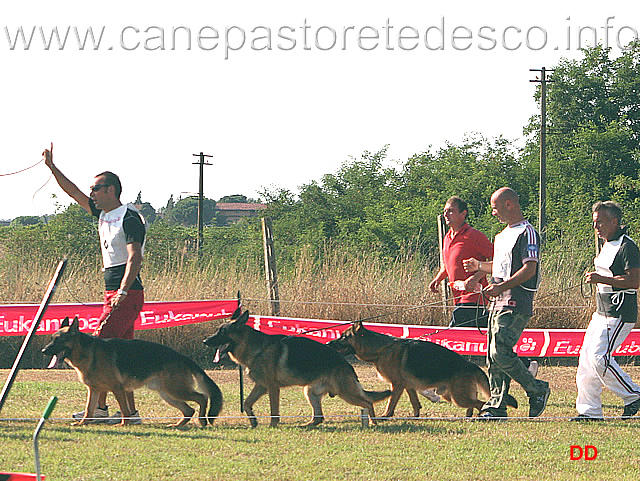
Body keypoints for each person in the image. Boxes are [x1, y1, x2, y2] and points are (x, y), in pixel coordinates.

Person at [43, 143, 147, 424]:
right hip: (112, 290)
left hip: (126, 292)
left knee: (99, 347)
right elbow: (73, 192)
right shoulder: (103, 214)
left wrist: (123, 290)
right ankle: (131, 413)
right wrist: (52, 168)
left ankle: (99, 410)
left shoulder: (129, 216)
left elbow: (134, 256)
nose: (91, 194)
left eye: (96, 189)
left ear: (111, 190)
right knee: (121, 356)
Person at [463, 187, 549, 419]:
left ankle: (536, 388)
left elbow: (529, 268)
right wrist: (478, 269)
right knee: (492, 355)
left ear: (509, 204)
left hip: (515, 301)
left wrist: (502, 286)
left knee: (499, 351)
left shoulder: (527, 233)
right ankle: (496, 405)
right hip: (497, 301)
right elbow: (501, 266)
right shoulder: (502, 235)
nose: (493, 213)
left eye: (495, 207)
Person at [572, 201, 640, 421]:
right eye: (594, 222)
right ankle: (589, 411)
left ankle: (634, 395)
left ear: (614, 221)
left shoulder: (627, 246)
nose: (596, 227)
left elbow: (634, 280)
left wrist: (601, 279)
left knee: (600, 358)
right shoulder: (606, 245)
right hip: (601, 312)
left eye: (600, 222)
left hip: (619, 312)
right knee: (586, 360)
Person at [429, 196, 493, 328]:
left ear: (463, 214)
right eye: (445, 211)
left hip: (473, 297)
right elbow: (448, 264)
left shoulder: (474, 236)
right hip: (457, 297)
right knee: (479, 336)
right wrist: (438, 279)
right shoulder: (447, 237)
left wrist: (475, 278)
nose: (446, 214)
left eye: (451, 211)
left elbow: (499, 260)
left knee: (454, 333)